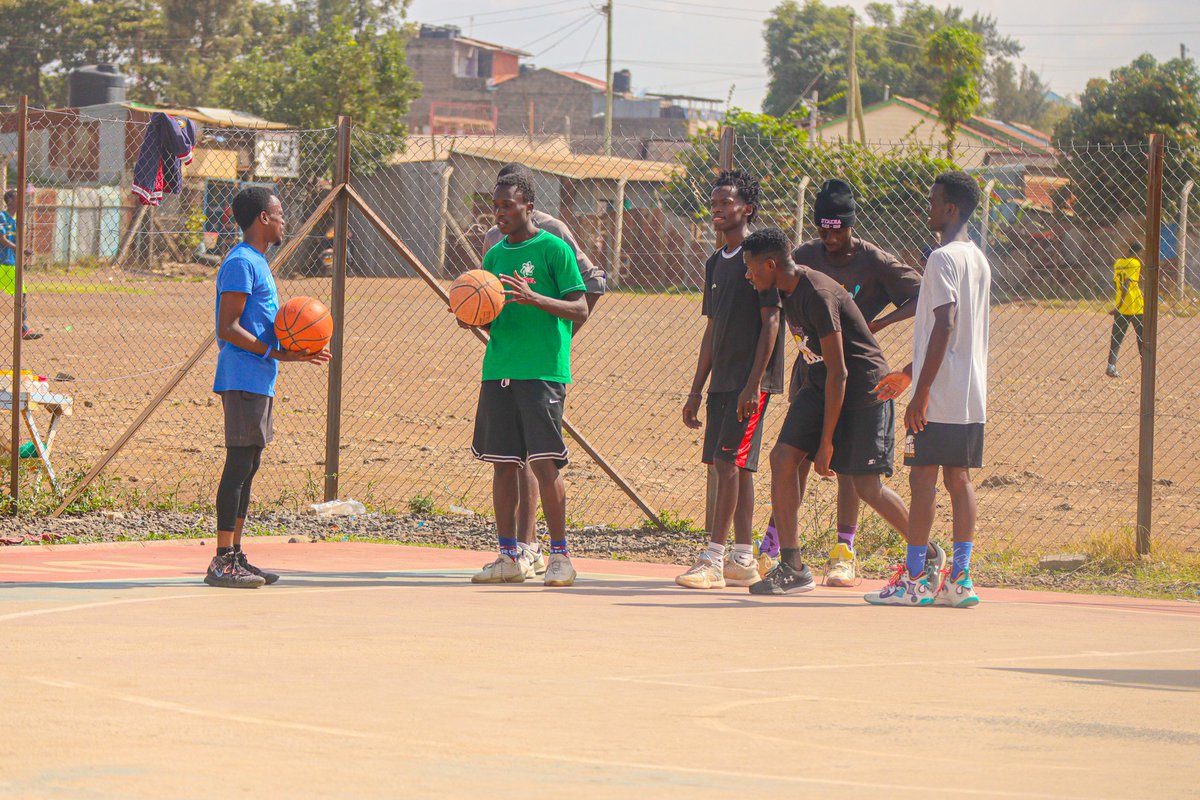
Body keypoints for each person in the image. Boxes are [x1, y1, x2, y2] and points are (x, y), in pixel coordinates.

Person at [741, 228, 911, 596]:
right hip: (820, 382)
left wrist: (826, 442)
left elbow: (841, 372)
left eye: (751, 268)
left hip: (863, 388)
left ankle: (926, 552)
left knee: (867, 486)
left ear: (770, 265)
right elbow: (825, 370)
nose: (748, 275)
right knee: (782, 457)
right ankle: (793, 566)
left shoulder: (817, 294)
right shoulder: (782, 289)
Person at [781, 178, 926, 587]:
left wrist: (876, 322)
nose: (830, 236)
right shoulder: (805, 256)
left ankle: (843, 553)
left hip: (856, 376)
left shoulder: (874, 260)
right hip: (813, 374)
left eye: (838, 228)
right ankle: (776, 546)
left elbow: (922, 293)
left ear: (850, 225)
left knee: (852, 471)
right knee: (794, 457)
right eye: (823, 228)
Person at [479, 163, 607, 578]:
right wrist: (472, 315)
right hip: (499, 367)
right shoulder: (494, 255)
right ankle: (509, 556)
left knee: (544, 464)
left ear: (528, 206)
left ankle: (560, 557)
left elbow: (580, 306)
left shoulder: (554, 248)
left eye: (508, 205)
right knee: (503, 464)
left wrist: (535, 298)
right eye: (496, 205)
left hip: (543, 370)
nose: (500, 213)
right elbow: (493, 315)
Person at [870, 171, 989, 608]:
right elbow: (952, 336)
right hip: (969, 392)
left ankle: (916, 580)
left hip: (938, 393)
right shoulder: (977, 257)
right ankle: (960, 581)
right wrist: (908, 370)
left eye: (934, 200)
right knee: (959, 479)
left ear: (951, 209)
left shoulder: (941, 258)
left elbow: (945, 323)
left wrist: (920, 391)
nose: (929, 208)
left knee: (922, 479)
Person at [208, 187, 331, 588]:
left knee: (251, 464)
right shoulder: (241, 262)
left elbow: (264, 323)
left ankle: (236, 554)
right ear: (263, 218)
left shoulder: (257, 261)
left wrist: (295, 348)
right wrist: (276, 354)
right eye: (279, 214)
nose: (283, 221)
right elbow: (227, 328)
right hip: (242, 376)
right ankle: (221, 560)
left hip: (258, 378)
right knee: (239, 464)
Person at [677, 170, 785, 590]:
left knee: (728, 463)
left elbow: (772, 321)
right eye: (714, 202)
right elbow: (711, 328)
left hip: (750, 381)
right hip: (722, 378)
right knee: (737, 468)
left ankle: (713, 559)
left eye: (726, 202)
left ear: (747, 208)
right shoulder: (714, 261)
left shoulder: (759, 258)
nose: (717, 209)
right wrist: (695, 388)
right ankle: (742, 557)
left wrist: (753, 383)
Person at [1, 189, 41, 340]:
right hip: (3, 263)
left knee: (22, 292)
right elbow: (2, 238)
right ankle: (23, 328)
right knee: (21, 292)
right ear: (10, 200)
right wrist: (20, 249)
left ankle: (23, 328)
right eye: (18, 197)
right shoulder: (2, 216)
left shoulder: (17, 218)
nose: (22, 200)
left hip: (10, 263)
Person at [1106, 242, 1144, 378]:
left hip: (1121, 309)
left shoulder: (1118, 263)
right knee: (1142, 339)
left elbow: (1118, 283)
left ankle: (1111, 366)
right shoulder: (1135, 263)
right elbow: (1127, 284)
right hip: (1135, 305)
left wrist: (1118, 306)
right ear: (1137, 253)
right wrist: (1120, 303)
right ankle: (1146, 368)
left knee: (1116, 339)